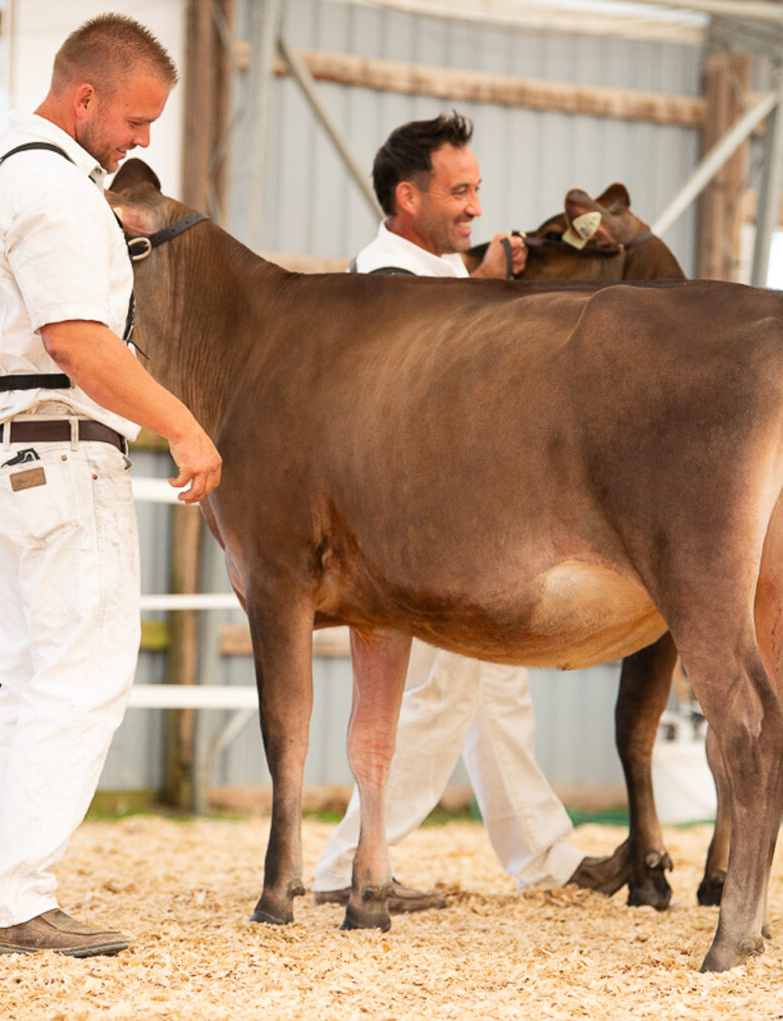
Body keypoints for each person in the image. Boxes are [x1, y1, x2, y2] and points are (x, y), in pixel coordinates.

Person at [0, 15, 220, 957]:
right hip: (57, 454)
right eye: (136, 120)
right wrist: (182, 423)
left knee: (27, 679)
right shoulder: (56, 188)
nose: (142, 140)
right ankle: (15, 897)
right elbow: (77, 340)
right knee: (81, 678)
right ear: (85, 95)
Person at [311, 113, 626, 912]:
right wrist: (482, 288)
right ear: (406, 197)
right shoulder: (381, 278)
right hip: (413, 532)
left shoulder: (440, 273)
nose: (475, 207)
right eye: (459, 192)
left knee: (495, 688)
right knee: (445, 688)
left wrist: (482, 282)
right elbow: (425, 363)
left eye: (477, 189)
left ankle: (544, 855)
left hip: (463, 518)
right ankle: (349, 864)